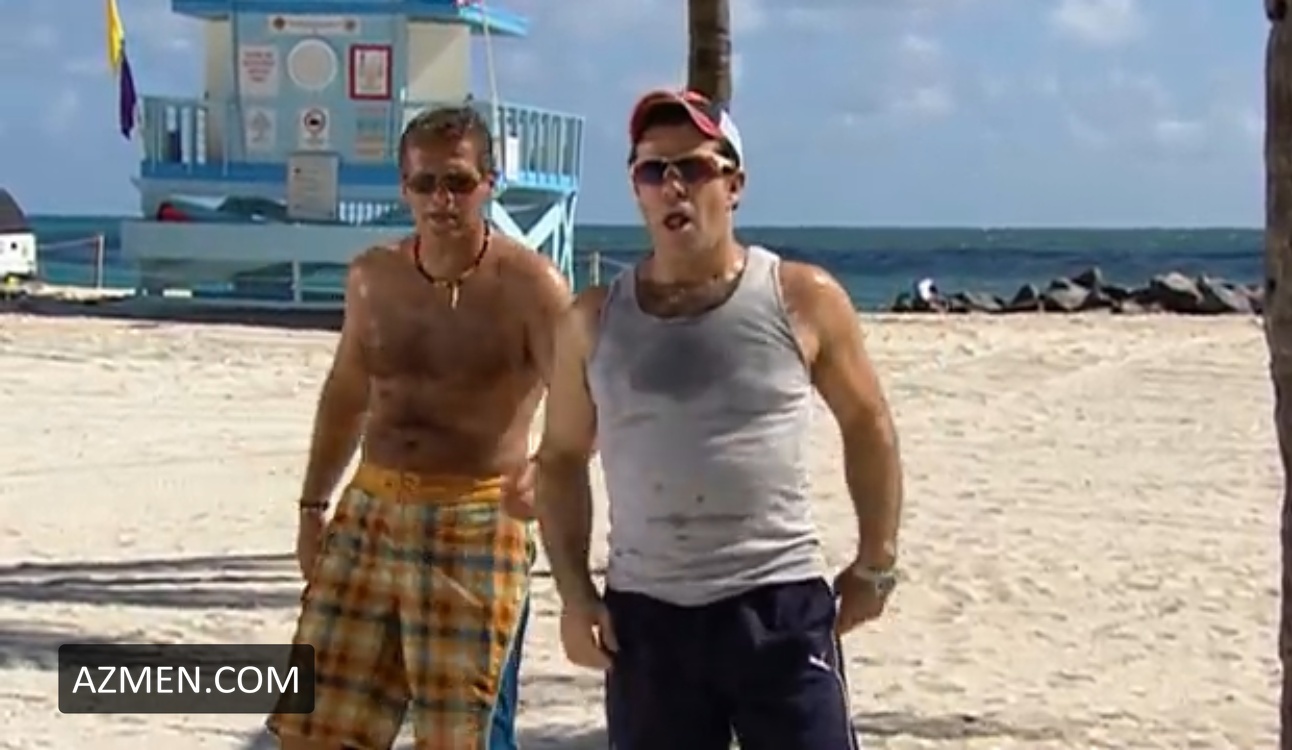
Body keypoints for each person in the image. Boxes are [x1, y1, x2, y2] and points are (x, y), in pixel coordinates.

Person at [533, 90, 905, 750]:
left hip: (778, 603)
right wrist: (574, 593)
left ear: (734, 184)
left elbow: (867, 423)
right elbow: (560, 458)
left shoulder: (801, 297)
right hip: (647, 619)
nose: (673, 186)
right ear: (636, 190)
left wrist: (876, 561)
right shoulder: (592, 320)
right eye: (653, 170)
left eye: (694, 167)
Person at [265, 105, 570, 750]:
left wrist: (546, 466)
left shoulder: (532, 287)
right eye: (425, 183)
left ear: (488, 184)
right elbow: (347, 392)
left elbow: (581, 400)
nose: (441, 199)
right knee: (317, 725)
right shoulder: (373, 277)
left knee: (465, 733)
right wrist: (313, 506)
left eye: (458, 182)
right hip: (370, 510)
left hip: (478, 516)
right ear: (404, 188)